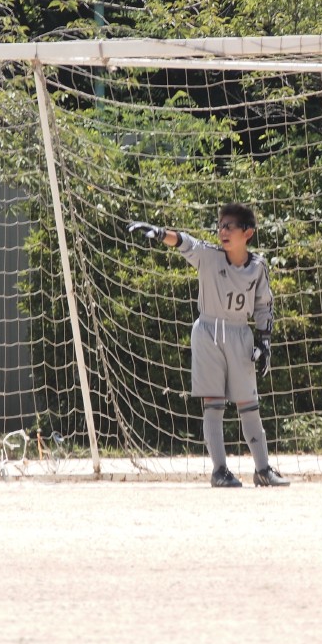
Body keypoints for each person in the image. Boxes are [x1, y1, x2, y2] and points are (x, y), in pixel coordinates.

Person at [128, 204, 288, 488]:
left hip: (240, 333)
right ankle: (219, 471)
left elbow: (264, 305)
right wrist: (161, 233)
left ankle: (263, 469)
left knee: (248, 404)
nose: (222, 231)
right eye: (220, 225)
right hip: (208, 332)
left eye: (229, 226)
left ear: (247, 233)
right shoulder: (209, 256)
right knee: (213, 403)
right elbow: (185, 242)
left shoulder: (258, 267)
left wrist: (264, 341)